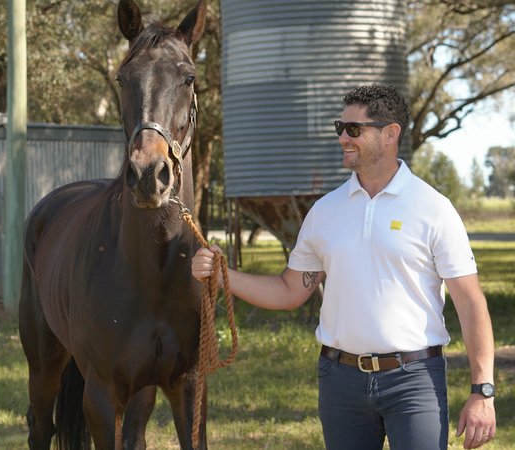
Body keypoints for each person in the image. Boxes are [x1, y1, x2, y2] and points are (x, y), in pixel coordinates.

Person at [192, 84, 496, 449]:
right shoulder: (325, 211)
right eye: (341, 127)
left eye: (354, 129)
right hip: (340, 381)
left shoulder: (433, 208)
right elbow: (290, 290)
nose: (342, 138)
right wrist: (223, 275)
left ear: (390, 133)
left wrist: (482, 391)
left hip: (414, 380)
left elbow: (470, 301)